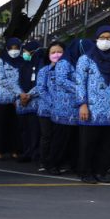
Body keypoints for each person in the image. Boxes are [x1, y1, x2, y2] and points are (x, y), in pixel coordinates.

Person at [75, 25, 110, 183]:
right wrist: (82, 104)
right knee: (88, 143)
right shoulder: (86, 59)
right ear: (96, 39)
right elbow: (80, 83)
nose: (105, 41)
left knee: (107, 144)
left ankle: (101, 172)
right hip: (92, 109)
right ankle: (86, 172)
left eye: (109, 38)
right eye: (102, 38)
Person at [49, 39, 87, 174]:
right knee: (60, 139)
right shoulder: (64, 62)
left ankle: (72, 165)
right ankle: (53, 165)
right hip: (64, 110)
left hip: (75, 109)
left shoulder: (78, 62)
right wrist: (81, 89)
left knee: (73, 140)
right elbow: (61, 81)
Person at [34, 41, 66, 173]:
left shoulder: (69, 69)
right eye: (53, 52)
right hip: (46, 110)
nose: (56, 54)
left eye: (59, 52)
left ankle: (57, 162)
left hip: (63, 110)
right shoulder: (44, 71)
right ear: (48, 55)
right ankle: (44, 161)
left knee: (59, 138)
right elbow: (41, 89)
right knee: (47, 136)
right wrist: (54, 103)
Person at [0, 37, 24, 160]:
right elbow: (2, 80)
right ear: (7, 48)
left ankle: (15, 150)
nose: (14, 51)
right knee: (0, 126)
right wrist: (19, 92)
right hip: (2, 99)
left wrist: (20, 95)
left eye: (16, 48)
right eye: (11, 48)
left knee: (15, 126)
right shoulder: (2, 61)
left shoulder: (23, 61)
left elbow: (24, 79)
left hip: (18, 100)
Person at [15, 40, 43, 163]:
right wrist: (21, 94)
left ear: (33, 51)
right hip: (22, 102)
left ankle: (35, 153)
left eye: (26, 51)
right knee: (24, 130)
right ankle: (26, 152)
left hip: (34, 102)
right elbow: (16, 82)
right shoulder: (22, 64)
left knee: (34, 130)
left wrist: (29, 95)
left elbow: (40, 84)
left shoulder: (41, 64)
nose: (24, 54)